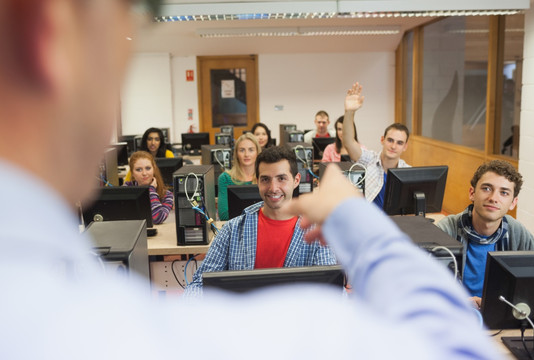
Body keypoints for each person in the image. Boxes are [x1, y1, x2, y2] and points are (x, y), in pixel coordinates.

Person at [0, 1, 504, 358]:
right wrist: (356, 220)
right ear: (51, 29)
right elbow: (453, 343)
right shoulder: (238, 232)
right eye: (126, 23)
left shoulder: (92, 321)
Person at [186, 146, 337, 295]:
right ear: (257, 181)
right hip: (243, 315)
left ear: (296, 180)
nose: (273, 188)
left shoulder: (316, 233)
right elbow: (199, 284)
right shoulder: (232, 230)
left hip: (294, 317)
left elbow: (333, 292)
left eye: (281, 178)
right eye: (266, 179)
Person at [436, 160, 534, 309]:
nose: (493, 198)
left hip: (500, 316)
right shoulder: (446, 229)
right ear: (472, 193)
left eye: (504, 192)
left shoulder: (515, 231)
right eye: (486, 188)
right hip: (454, 313)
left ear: (513, 203)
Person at [342, 83, 410, 209]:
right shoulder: (369, 160)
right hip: (368, 222)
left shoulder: (409, 172)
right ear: (382, 140)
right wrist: (349, 112)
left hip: (396, 224)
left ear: (405, 146)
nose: (394, 146)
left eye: (399, 143)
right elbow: (348, 142)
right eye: (390, 140)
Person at [217, 133, 261, 221]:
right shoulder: (225, 178)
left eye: (251, 150)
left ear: (257, 152)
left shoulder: (265, 178)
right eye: (242, 150)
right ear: (236, 153)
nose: (246, 154)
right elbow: (224, 215)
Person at [123, 151, 173, 225]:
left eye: (148, 168)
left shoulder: (167, 195)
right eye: (138, 170)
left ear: (154, 169)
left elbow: (157, 218)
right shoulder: (126, 189)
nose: (144, 173)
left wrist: (151, 190)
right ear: (132, 173)